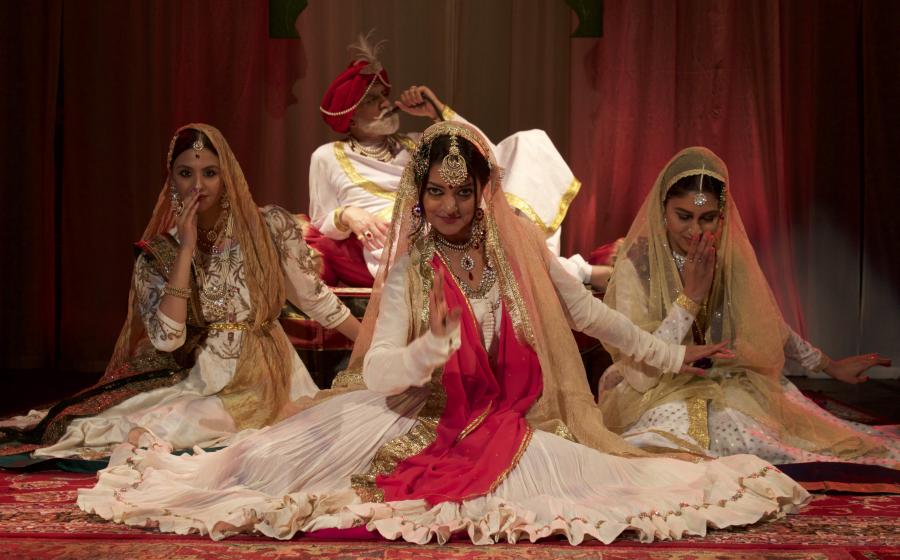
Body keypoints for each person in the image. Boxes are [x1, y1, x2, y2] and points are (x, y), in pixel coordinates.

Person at [77, 123, 807, 545]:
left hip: (505, 421)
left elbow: (593, 317)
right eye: (437, 191)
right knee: (261, 470)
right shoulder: (410, 274)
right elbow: (386, 367)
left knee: (607, 482)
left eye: (463, 190)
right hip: (414, 418)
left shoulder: (517, 251)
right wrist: (428, 352)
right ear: (419, 196)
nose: (451, 203)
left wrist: (675, 351)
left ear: (480, 190)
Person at [0, 124, 359, 461]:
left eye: (210, 173)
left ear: (228, 176)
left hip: (268, 374)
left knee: (168, 425)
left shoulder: (269, 227)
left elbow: (316, 299)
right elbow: (168, 340)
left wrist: (372, 345)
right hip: (201, 373)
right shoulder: (160, 254)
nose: (198, 185)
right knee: (102, 425)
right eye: (186, 173)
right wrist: (186, 250)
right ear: (172, 180)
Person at [597, 146, 898, 467]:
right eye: (684, 216)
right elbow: (641, 363)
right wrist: (690, 298)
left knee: (754, 439)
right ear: (662, 211)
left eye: (708, 218)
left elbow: (767, 323)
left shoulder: (729, 259)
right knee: (657, 447)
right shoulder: (636, 266)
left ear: (722, 216)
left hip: (726, 380)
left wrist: (828, 365)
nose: (695, 231)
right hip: (654, 383)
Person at [308, 33, 607, 288]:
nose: (387, 103)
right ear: (351, 118)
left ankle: (527, 251)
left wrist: (437, 112)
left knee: (528, 141)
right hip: (401, 240)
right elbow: (321, 217)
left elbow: (485, 154)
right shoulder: (327, 157)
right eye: (373, 100)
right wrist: (348, 215)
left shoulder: (416, 141)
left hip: (447, 219)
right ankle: (576, 271)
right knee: (463, 235)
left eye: (384, 94)